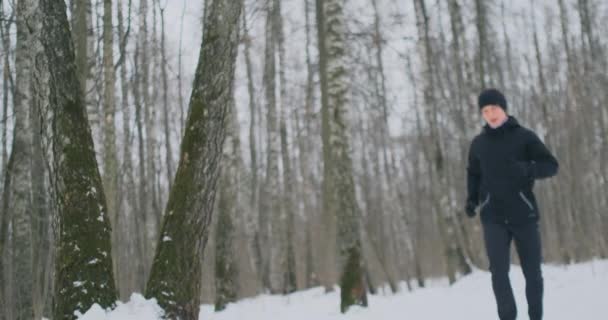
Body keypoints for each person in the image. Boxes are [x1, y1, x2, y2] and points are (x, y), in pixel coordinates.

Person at [465, 88, 559, 320]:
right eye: (485, 110)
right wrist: (472, 199)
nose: (490, 114)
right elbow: (473, 174)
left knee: (533, 274)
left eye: (494, 108)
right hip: (493, 217)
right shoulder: (478, 144)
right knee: (498, 273)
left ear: (504, 108)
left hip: (523, 214)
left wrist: (528, 169)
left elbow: (551, 165)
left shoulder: (524, 137)